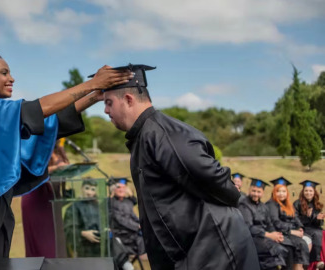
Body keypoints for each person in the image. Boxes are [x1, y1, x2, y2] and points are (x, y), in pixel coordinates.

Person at [0, 52, 132, 269]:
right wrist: (91, 84)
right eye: (3, 72)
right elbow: (35, 110)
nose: (11, 78)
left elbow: (45, 121)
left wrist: (93, 96)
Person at [100, 64, 259, 270]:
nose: (105, 110)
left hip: (215, 251)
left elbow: (208, 174)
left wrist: (233, 194)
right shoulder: (144, 135)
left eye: (108, 103)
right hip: (194, 252)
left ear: (129, 100)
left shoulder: (161, 133)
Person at [21, 139, 70, 258]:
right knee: (43, 243)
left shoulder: (59, 150)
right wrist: (56, 168)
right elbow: (31, 172)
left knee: (57, 241)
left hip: (53, 198)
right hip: (36, 198)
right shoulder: (34, 148)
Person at [238, 178, 288, 270]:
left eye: (258, 192)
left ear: (262, 193)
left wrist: (276, 235)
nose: (256, 194)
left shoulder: (263, 207)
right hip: (251, 238)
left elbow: (269, 224)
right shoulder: (243, 205)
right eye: (254, 191)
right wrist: (268, 235)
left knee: (287, 246)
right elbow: (248, 227)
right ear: (249, 190)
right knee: (276, 250)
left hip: (264, 237)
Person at [266, 177, 310, 270]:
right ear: (274, 192)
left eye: (284, 191)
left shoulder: (288, 204)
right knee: (299, 244)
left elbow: (296, 218)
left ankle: (300, 267)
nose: (281, 194)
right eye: (278, 191)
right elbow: (276, 223)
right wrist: (292, 231)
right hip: (279, 232)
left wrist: (300, 227)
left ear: (287, 193)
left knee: (307, 240)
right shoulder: (271, 204)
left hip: (289, 232)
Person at [109, 177, 146, 258]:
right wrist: (137, 226)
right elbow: (121, 220)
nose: (121, 189)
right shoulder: (111, 203)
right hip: (122, 234)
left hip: (132, 231)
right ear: (112, 189)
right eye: (118, 187)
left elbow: (133, 216)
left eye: (124, 187)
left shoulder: (127, 201)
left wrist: (142, 224)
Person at [64, 179, 101, 257]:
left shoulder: (98, 207)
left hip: (99, 244)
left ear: (95, 192)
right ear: (82, 188)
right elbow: (67, 230)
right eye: (87, 188)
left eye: (92, 189)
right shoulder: (73, 207)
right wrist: (83, 233)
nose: (89, 192)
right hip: (82, 246)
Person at [294, 180, 324, 269]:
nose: (308, 193)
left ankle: (321, 261)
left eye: (310, 191)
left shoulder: (316, 204)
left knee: (323, 233)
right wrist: (307, 217)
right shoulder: (297, 203)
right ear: (303, 192)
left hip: (314, 227)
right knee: (317, 233)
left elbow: (317, 222)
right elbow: (294, 219)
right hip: (303, 228)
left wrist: (318, 219)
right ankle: (315, 262)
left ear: (314, 192)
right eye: (306, 190)